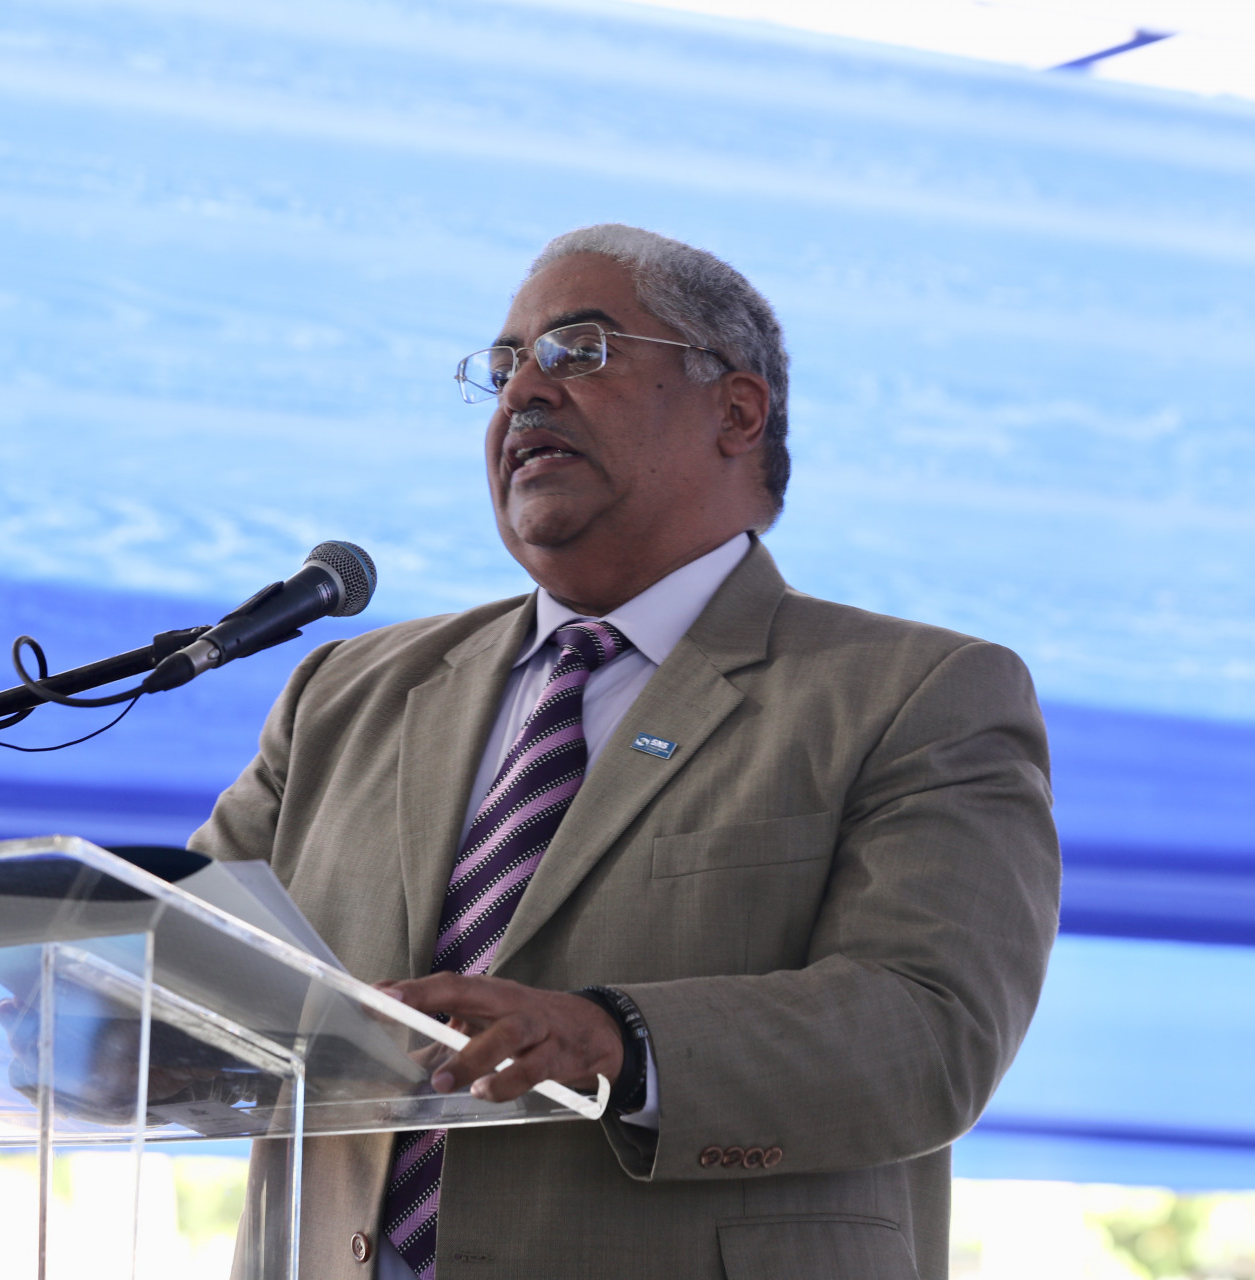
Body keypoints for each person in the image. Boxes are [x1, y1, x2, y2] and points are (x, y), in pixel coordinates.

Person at [190, 224, 1060, 1280]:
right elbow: (178, 967)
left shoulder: (914, 694)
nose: (522, 394)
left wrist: (616, 1037)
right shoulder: (346, 693)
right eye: (503, 368)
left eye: (578, 351)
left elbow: (930, 1029)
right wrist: (77, 1005)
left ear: (737, 411)